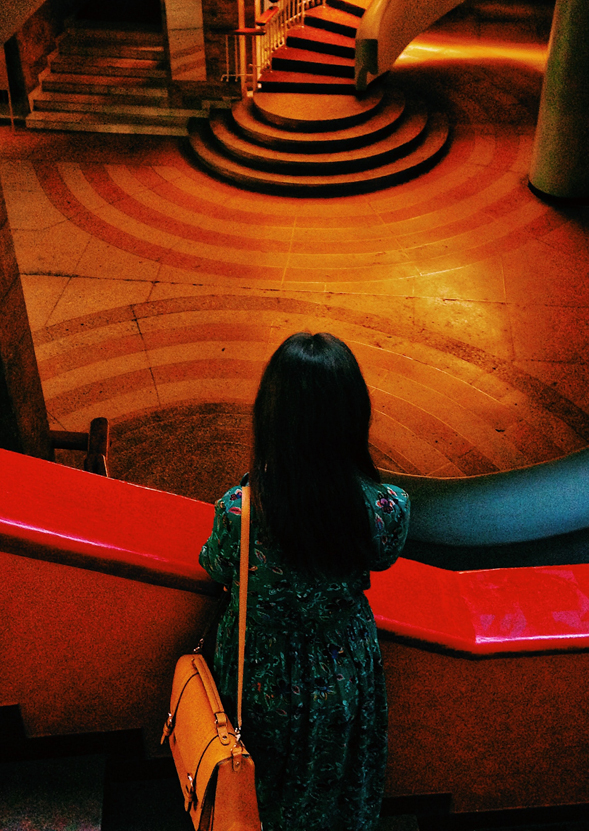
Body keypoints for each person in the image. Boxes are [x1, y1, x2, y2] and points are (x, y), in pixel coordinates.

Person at [199, 331, 410, 831]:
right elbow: (384, 558)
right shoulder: (385, 509)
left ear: (271, 417)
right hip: (343, 666)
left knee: (255, 785)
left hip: (257, 670)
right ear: (352, 417)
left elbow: (215, 564)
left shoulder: (239, 510)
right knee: (334, 784)